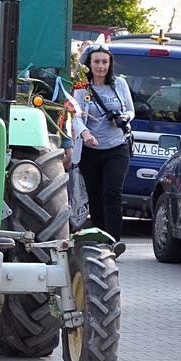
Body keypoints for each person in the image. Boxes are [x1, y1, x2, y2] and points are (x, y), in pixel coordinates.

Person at [74, 45, 134, 245]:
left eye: (105, 62)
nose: (101, 66)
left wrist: (124, 117)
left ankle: (114, 241)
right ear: (89, 64)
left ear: (110, 64)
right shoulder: (82, 87)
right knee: (95, 196)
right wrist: (85, 132)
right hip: (91, 151)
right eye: (96, 62)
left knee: (112, 194)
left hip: (117, 148)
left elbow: (131, 110)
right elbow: (75, 115)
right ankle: (100, 238)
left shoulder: (119, 84)